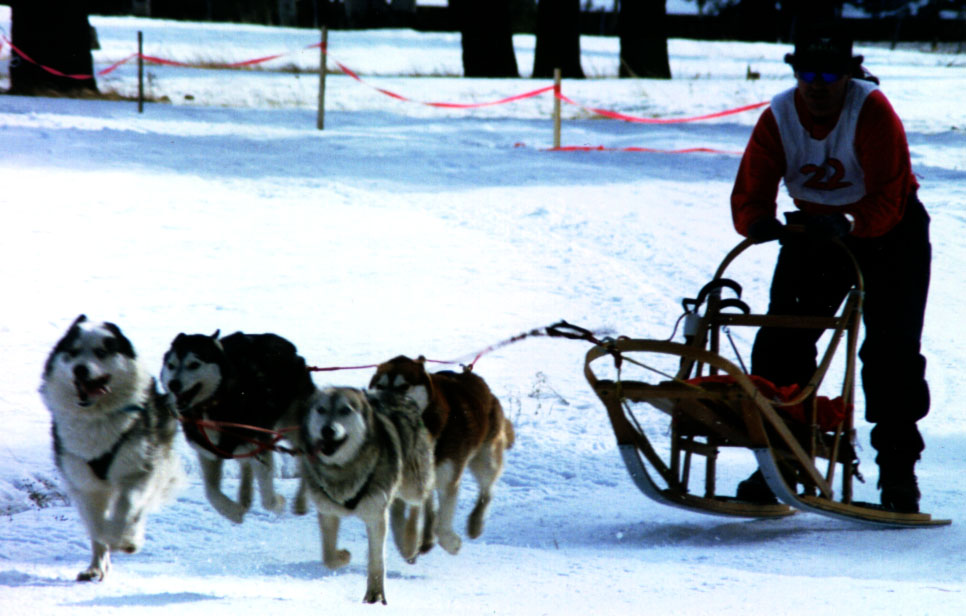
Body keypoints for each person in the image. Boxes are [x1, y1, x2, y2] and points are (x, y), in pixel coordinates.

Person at [730, 23, 931, 513]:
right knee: (782, 342)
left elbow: (890, 193)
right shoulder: (779, 115)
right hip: (814, 232)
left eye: (829, 73)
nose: (817, 84)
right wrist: (756, 221)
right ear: (796, 73)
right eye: (807, 73)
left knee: (890, 354)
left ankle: (898, 475)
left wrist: (850, 222)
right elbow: (752, 187)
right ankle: (784, 461)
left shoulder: (872, 111)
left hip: (891, 235)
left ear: (848, 74)